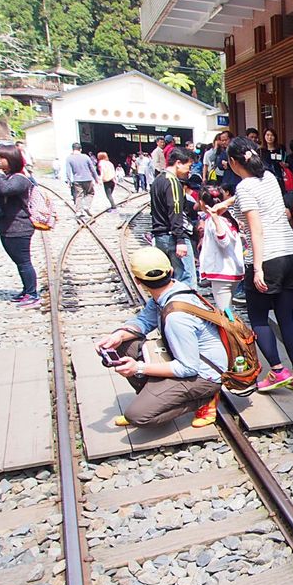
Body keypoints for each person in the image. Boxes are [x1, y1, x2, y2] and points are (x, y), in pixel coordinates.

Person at [96, 247, 225, 429]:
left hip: (205, 375)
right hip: (183, 357)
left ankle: (204, 400)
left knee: (137, 416)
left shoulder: (176, 317)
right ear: (171, 271)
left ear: (137, 281)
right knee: (122, 345)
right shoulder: (171, 291)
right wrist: (118, 335)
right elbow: (144, 320)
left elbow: (188, 368)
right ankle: (155, 399)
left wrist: (138, 367)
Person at [227, 135, 293, 392]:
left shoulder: (244, 188)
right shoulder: (270, 177)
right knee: (286, 319)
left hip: (268, 258)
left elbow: (256, 230)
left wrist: (258, 268)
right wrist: (224, 204)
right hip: (292, 255)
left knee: (259, 319)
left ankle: (277, 370)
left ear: (233, 162)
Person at [0, 146, 40, 308]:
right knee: (19, 261)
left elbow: (5, 190)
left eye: (1, 158)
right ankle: (26, 290)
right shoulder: (7, 176)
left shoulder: (20, 179)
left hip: (19, 227)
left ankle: (32, 293)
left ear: (11, 160)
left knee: (23, 262)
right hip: (8, 227)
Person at [150, 149, 199, 288]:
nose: (189, 171)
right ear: (178, 163)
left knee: (169, 282)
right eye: (189, 166)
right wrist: (180, 239)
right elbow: (175, 211)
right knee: (186, 280)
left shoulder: (158, 180)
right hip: (173, 236)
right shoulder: (172, 182)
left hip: (161, 236)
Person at [197, 186, 243, 313]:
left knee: (225, 313)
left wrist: (215, 219)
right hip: (233, 270)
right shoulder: (228, 217)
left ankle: (231, 326)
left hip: (221, 273)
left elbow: (224, 241)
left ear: (201, 202)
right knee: (227, 309)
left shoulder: (214, 220)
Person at [65, 142, 99, 214]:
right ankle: (86, 205)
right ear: (80, 149)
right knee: (90, 193)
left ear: (72, 149)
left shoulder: (69, 158)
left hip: (77, 180)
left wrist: (69, 182)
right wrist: (96, 178)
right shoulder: (86, 157)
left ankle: (78, 211)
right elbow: (92, 169)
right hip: (88, 179)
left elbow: (68, 171)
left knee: (79, 195)